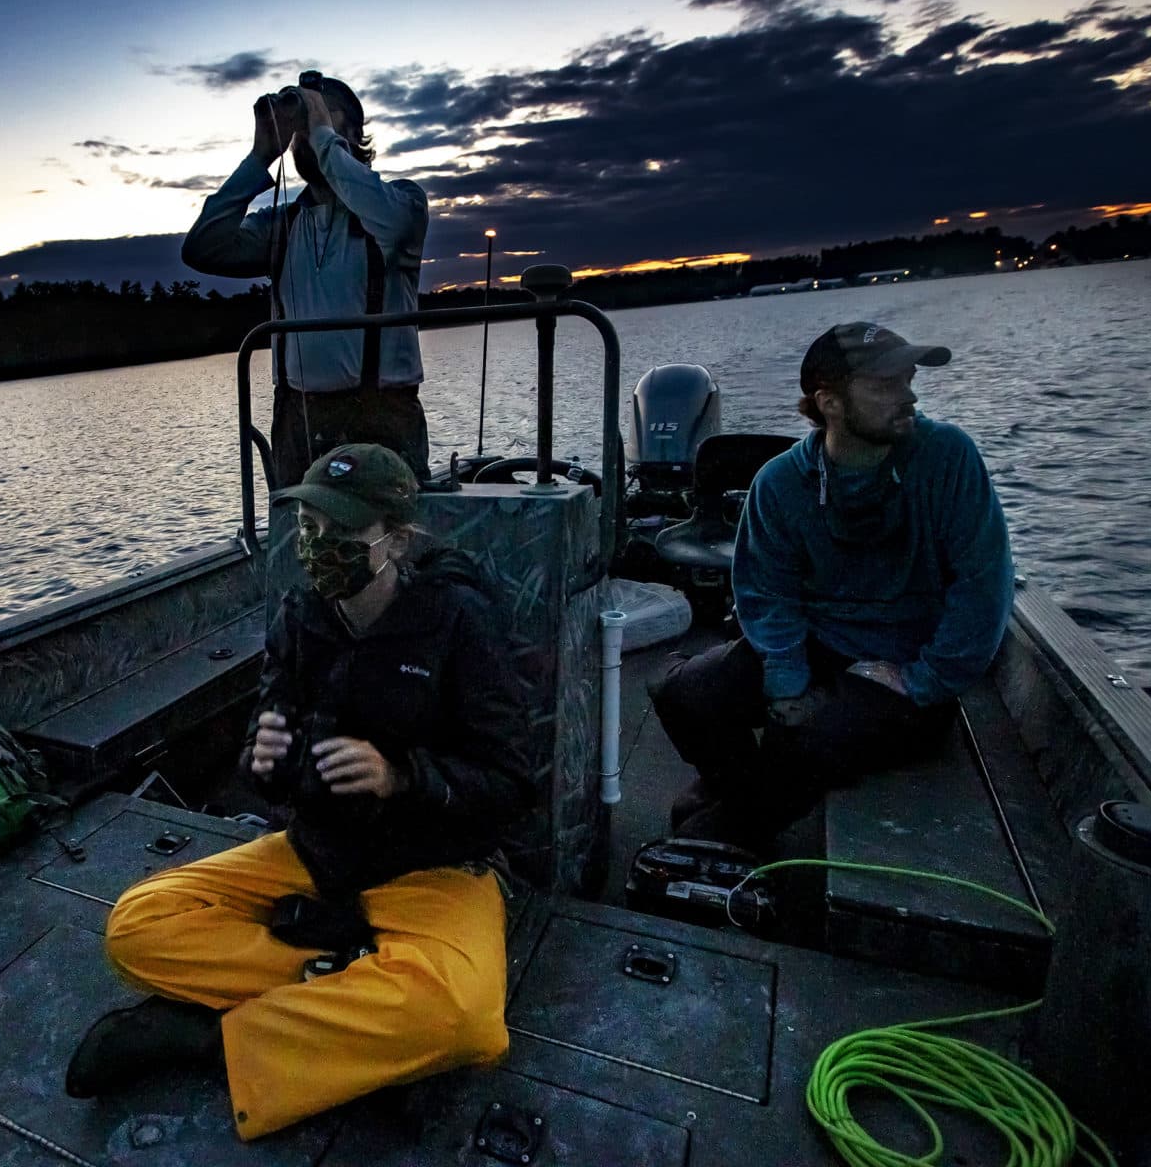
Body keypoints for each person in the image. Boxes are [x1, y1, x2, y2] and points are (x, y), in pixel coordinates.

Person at [65, 443, 534, 1140]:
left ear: (396, 539)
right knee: (137, 926)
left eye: (339, 532)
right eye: (309, 529)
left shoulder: (461, 620)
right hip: (321, 853)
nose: (318, 547)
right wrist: (265, 759)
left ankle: (203, 1039)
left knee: (465, 1017)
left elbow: (510, 781)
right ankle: (358, 1006)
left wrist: (401, 777)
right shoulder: (299, 616)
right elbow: (269, 753)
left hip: (435, 865)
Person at [649, 321, 1014, 852]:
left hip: (909, 666)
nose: (908, 396)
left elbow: (983, 589)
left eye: (908, 381)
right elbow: (766, 593)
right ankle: (738, 793)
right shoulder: (780, 484)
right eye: (887, 385)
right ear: (831, 403)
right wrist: (787, 679)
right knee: (681, 694)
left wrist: (923, 680)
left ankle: (727, 829)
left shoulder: (948, 459)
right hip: (820, 645)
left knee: (807, 742)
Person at [181, 72, 431, 486]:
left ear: (352, 134)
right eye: (301, 130)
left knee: (389, 545)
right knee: (303, 545)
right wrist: (259, 156)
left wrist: (323, 137)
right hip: (296, 421)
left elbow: (396, 222)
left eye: (321, 119)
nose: (306, 136)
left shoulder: (401, 204)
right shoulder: (281, 225)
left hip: (383, 421)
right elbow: (202, 249)